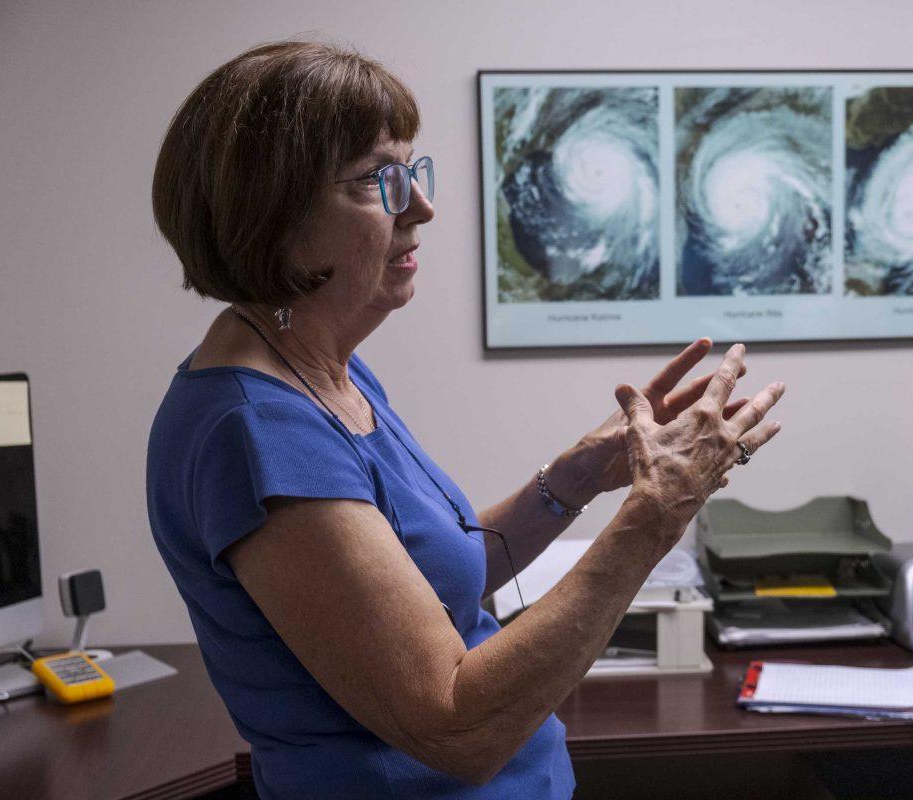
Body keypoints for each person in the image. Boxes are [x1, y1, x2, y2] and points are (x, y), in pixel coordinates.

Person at [146, 39, 784, 799]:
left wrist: (579, 476)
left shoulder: (326, 377)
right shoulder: (254, 432)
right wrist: (656, 515)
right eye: (378, 181)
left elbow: (435, 582)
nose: (421, 205)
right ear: (273, 214)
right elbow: (456, 726)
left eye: (411, 172)